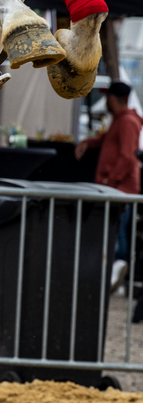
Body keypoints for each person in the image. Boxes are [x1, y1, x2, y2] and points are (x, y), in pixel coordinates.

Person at [75, 80, 142, 289]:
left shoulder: (127, 122)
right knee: (115, 230)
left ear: (113, 99)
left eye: (107, 97)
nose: (105, 101)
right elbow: (107, 140)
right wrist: (89, 142)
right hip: (117, 187)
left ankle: (117, 274)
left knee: (117, 231)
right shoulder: (121, 120)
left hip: (120, 188)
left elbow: (127, 157)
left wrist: (109, 181)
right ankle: (115, 274)